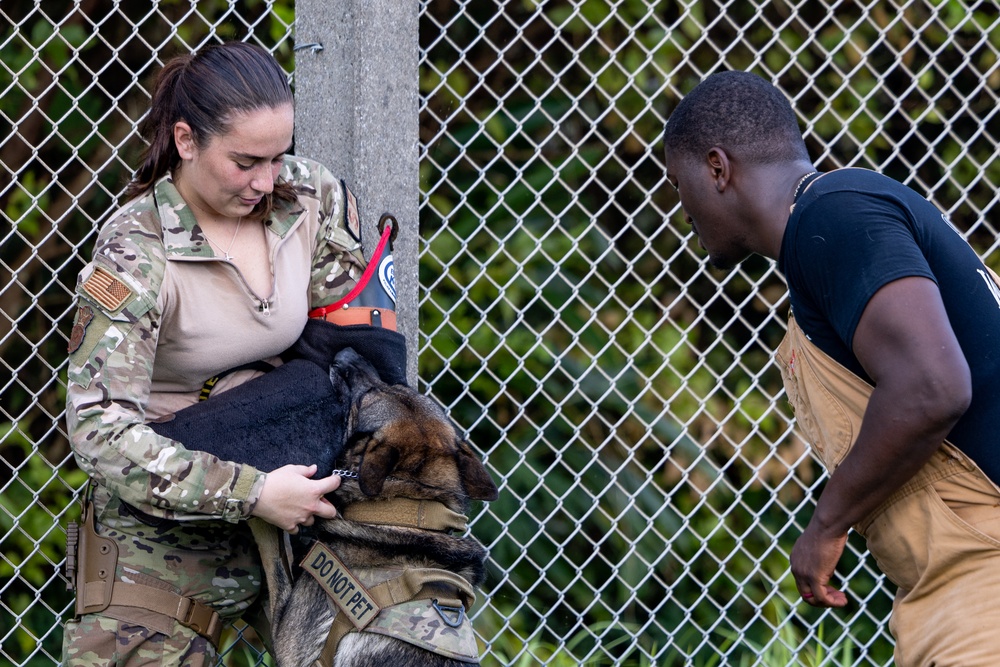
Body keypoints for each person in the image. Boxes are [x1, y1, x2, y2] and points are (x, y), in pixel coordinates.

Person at [663, 70, 1000, 666]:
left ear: (717, 168)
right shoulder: (834, 222)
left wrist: (827, 524)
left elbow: (932, 387)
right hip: (957, 573)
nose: (680, 207)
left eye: (677, 182)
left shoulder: (833, 217)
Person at [62, 41, 365, 665]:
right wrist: (252, 492)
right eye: (246, 161)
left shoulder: (308, 197)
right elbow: (98, 428)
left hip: (301, 497)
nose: (265, 182)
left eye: (278, 158)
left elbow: (356, 357)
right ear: (186, 139)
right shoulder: (134, 251)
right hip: (162, 524)